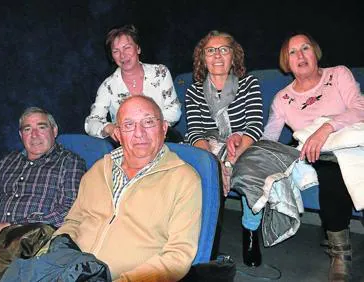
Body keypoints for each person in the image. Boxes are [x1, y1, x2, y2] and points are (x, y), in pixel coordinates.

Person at [53, 96, 202, 281]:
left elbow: (178, 256)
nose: (139, 133)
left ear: (164, 128)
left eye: (148, 122)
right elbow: (73, 222)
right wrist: (56, 255)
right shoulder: (98, 170)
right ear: (118, 134)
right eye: (129, 124)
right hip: (69, 272)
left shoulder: (184, 179)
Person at [263, 32, 364, 281]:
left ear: (315, 52)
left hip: (351, 141)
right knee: (331, 171)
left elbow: (360, 107)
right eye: (293, 52)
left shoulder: (338, 74)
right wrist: (249, 149)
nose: (300, 55)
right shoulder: (283, 99)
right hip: (318, 155)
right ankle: (340, 252)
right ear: (286, 62)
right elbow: (270, 137)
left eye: (305, 48)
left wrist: (326, 128)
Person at [184, 30, 264, 267]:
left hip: (244, 143)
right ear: (203, 58)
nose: (217, 55)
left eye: (224, 49)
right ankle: (208, 239)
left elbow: (255, 125)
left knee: (253, 173)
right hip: (209, 145)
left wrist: (230, 161)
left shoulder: (249, 83)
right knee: (200, 174)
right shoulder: (193, 91)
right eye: (210, 50)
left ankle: (250, 233)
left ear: (233, 56)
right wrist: (215, 163)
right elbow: (196, 132)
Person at [0, 107, 86, 243]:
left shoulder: (70, 162)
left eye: (41, 127)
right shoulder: (8, 161)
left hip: (33, 244)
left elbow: (69, 210)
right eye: (27, 129)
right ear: (21, 135)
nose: (34, 135)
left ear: (54, 131)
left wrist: (11, 228)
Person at [84, 24, 183, 143]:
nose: (122, 55)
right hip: (130, 145)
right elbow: (91, 123)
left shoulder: (160, 72)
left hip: (163, 139)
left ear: (138, 48)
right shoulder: (108, 86)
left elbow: (175, 110)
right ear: (112, 57)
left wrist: (146, 125)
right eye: (116, 51)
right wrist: (110, 128)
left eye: (127, 47)